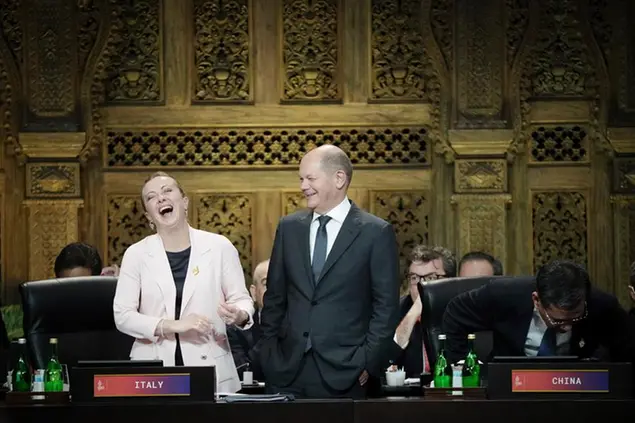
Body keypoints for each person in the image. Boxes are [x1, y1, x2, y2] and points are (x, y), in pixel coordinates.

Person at [258, 145, 400, 399]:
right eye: (301, 179)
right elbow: (275, 297)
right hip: (286, 369)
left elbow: (386, 307)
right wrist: (268, 352)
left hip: (346, 371)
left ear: (339, 178)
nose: (303, 186)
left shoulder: (375, 232)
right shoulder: (289, 228)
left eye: (310, 178)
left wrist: (368, 362)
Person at [113, 172, 254, 393]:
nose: (160, 198)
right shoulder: (136, 254)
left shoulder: (219, 246)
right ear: (148, 215)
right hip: (153, 370)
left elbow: (242, 300)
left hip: (210, 363)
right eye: (151, 197)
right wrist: (172, 325)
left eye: (167, 191)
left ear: (185, 201)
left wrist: (240, 314)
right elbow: (122, 316)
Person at [443, 259, 635, 364]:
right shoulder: (503, 294)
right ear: (537, 300)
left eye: (576, 317)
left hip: (574, 391)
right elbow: (455, 313)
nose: (567, 326)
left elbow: (627, 351)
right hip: (509, 388)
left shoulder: (603, 305)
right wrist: (465, 367)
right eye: (558, 320)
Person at [387, 245, 455, 377]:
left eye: (430, 278)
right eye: (414, 278)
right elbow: (387, 359)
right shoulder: (394, 312)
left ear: (450, 280)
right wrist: (412, 315)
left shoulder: (461, 311)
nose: (421, 286)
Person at [227, 259, 269, 381]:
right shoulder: (236, 331)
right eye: (266, 283)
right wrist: (271, 329)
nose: (275, 290)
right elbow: (242, 373)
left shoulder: (302, 327)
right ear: (254, 292)